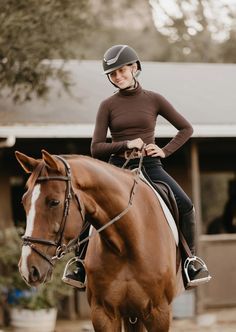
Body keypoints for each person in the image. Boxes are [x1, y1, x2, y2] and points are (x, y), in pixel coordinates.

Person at [64, 44, 211, 290]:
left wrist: (164, 150)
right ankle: (79, 262)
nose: (118, 77)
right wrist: (124, 144)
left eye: (122, 70)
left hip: (150, 166)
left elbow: (186, 129)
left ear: (135, 68)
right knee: (89, 208)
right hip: (116, 167)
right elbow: (96, 147)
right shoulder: (107, 105)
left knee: (185, 205)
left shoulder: (154, 99)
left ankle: (191, 261)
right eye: (113, 74)